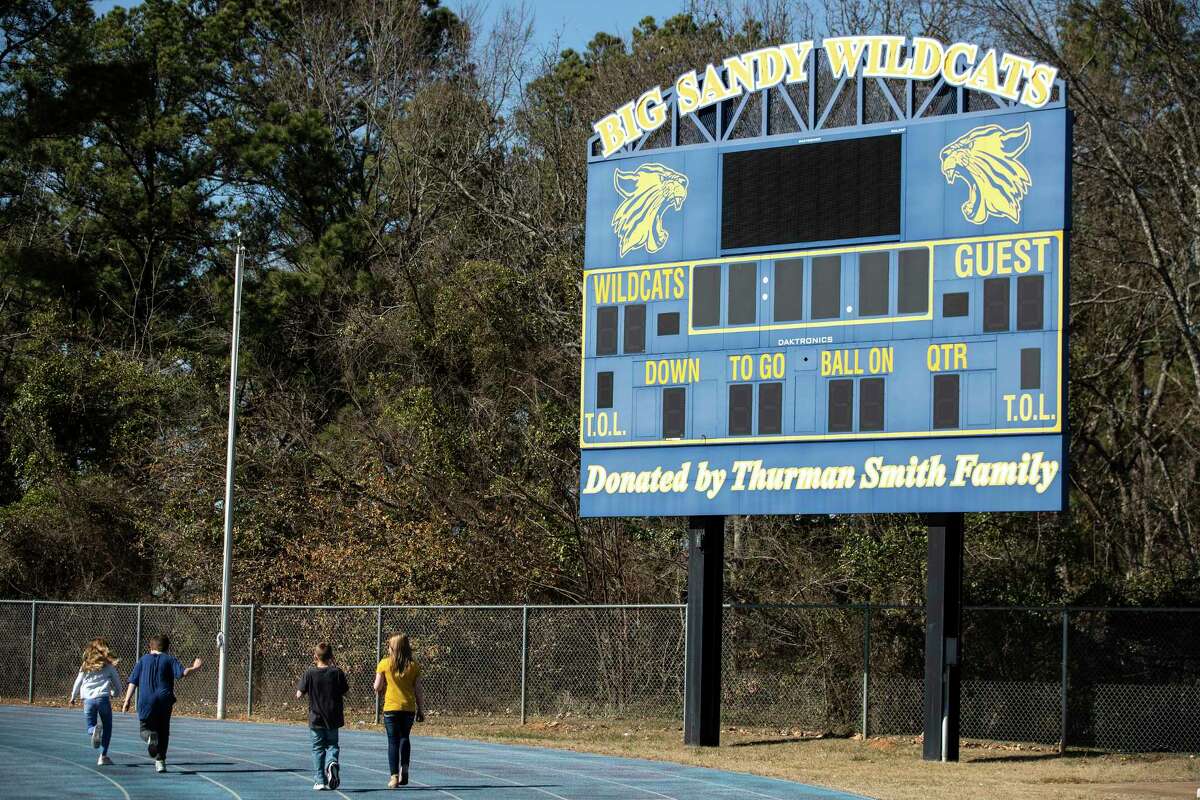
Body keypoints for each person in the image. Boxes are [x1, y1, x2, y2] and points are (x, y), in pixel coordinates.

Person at [120, 634, 203, 773]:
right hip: (164, 700)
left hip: (146, 700)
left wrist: (127, 700)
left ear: (150, 647)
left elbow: (133, 681)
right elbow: (183, 673)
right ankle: (160, 761)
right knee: (163, 731)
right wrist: (195, 667)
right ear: (167, 648)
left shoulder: (142, 660)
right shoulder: (170, 659)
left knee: (144, 728)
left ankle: (149, 737)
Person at [374, 634, 426, 789]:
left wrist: (381, 687)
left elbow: (377, 686)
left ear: (392, 648)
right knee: (405, 738)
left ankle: (394, 776)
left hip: (391, 707)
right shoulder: (413, 666)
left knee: (393, 741)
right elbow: (418, 690)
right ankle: (405, 769)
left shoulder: (384, 664)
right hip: (408, 708)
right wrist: (421, 709)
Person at [296, 642, 349, 791]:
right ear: (332, 657)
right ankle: (332, 762)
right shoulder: (337, 673)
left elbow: (299, 694)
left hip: (316, 718)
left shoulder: (309, 673)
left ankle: (320, 780)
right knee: (333, 745)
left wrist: (302, 690)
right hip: (333, 717)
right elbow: (345, 692)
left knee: (318, 748)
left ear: (315, 656)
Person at [68, 638, 124, 766]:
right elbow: (117, 685)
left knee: (90, 725)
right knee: (107, 726)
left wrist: (72, 697)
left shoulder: (85, 665)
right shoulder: (109, 667)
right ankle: (103, 757)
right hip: (103, 699)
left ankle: (93, 730)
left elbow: (78, 682)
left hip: (88, 700)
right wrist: (115, 693)